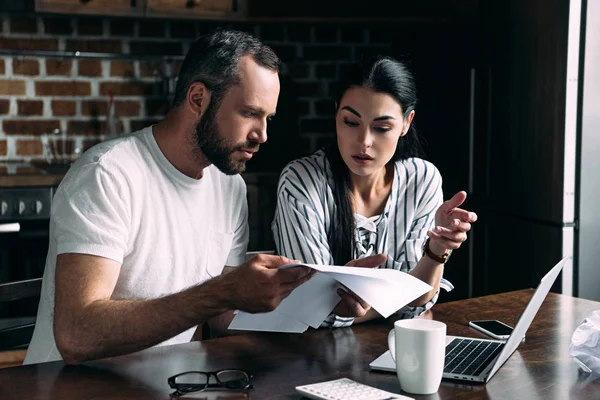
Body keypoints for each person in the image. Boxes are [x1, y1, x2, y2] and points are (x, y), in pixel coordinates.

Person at [24, 28, 319, 365]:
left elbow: (223, 319)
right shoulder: (107, 174)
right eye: (250, 113)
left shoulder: (230, 187)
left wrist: (318, 307)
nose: (262, 135)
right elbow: (77, 336)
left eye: (268, 118)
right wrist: (221, 292)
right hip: (66, 388)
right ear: (198, 98)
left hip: (158, 384)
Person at [271, 56, 477, 328]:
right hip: (312, 355)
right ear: (336, 114)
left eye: (381, 128)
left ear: (406, 123)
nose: (364, 142)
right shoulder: (301, 181)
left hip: (394, 348)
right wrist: (400, 302)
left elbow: (421, 298)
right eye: (350, 122)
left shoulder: (422, 179)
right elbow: (314, 313)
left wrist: (436, 250)